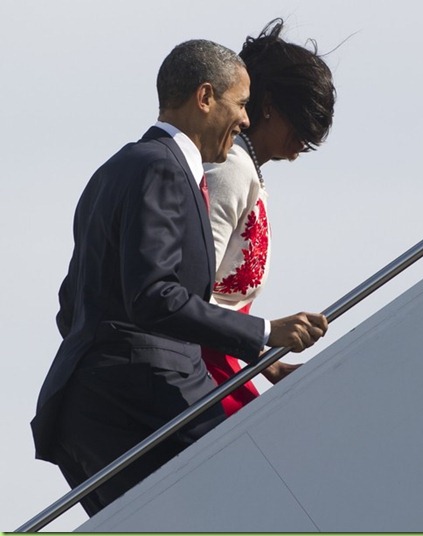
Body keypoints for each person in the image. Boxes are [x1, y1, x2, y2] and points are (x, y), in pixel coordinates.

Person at [30, 38, 329, 516]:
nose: (246, 119)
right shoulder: (165, 170)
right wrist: (265, 333)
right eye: (241, 104)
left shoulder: (116, 167)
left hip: (81, 408)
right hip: (145, 396)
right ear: (205, 97)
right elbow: (154, 295)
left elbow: (72, 305)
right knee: (268, 495)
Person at [202, 19, 336, 416]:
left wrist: (269, 363)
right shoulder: (231, 169)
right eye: (301, 120)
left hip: (224, 359)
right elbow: (189, 292)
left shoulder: (246, 170)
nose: (306, 140)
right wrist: (266, 334)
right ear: (268, 105)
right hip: (200, 365)